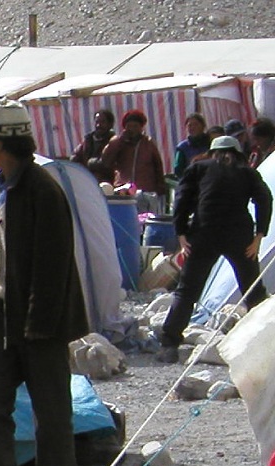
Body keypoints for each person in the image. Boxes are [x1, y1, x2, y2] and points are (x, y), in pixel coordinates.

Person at [0, 99, 89, 466]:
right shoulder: (0, 188)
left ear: (1, 144)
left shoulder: (42, 192)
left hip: (41, 320)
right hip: (2, 316)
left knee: (50, 409)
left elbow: (53, 265)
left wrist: (39, 322)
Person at [156, 135, 272, 364]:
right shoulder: (247, 172)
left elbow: (182, 200)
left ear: (212, 153)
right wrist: (259, 235)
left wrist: (181, 234)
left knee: (187, 291)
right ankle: (267, 344)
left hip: (204, 234)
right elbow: (265, 199)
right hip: (240, 237)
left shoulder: (199, 169)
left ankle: (169, 344)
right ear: (238, 153)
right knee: (253, 291)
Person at [101, 109, 168, 213]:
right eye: (129, 126)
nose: (132, 129)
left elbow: (158, 167)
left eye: (135, 126)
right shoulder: (117, 142)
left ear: (141, 128)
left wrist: (160, 189)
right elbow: (106, 161)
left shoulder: (148, 143)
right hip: (123, 191)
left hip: (145, 192)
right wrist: (120, 141)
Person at [173, 113, 209, 179]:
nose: (193, 127)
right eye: (189, 125)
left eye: (196, 124)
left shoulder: (211, 143)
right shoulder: (182, 147)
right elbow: (178, 169)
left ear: (203, 126)